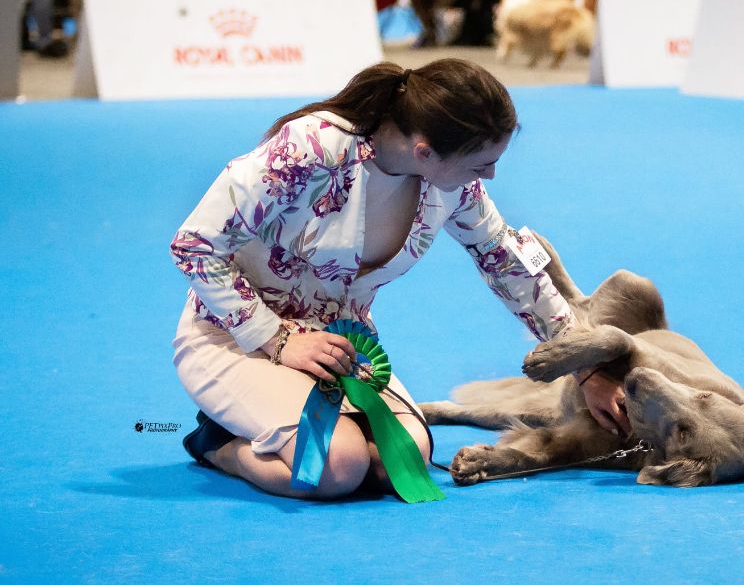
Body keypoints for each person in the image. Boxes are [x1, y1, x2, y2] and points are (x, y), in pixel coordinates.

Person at [171, 60, 631, 500]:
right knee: (337, 467)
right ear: (424, 152)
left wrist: (586, 367)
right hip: (235, 338)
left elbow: (507, 263)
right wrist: (276, 340)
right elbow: (195, 244)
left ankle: (278, 424)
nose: (489, 175)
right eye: (481, 164)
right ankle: (218, 444)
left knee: (404, 460)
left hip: (340, 349)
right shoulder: (309, 149)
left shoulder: (453, 184)